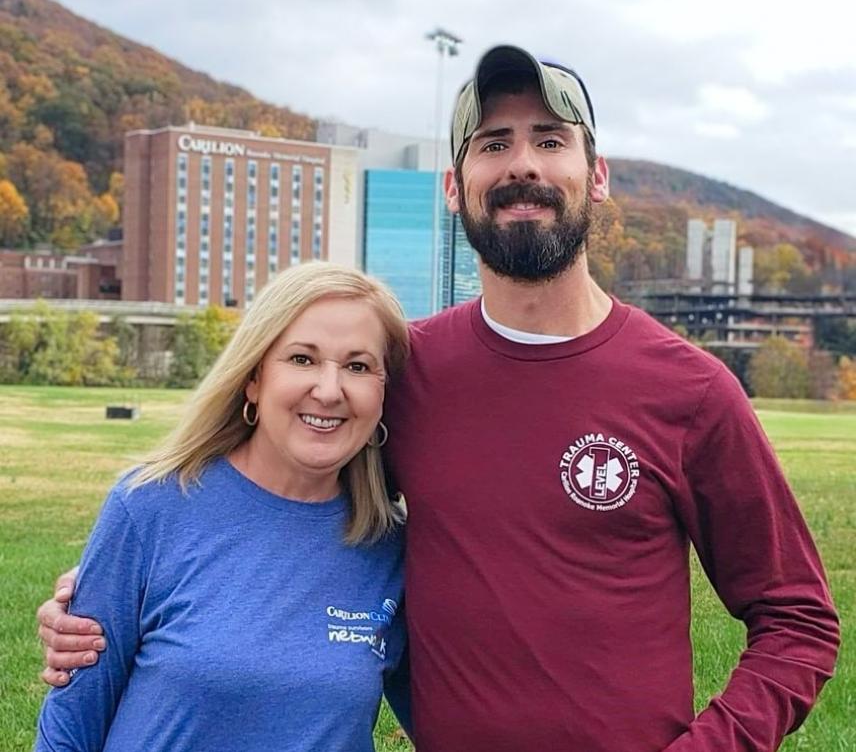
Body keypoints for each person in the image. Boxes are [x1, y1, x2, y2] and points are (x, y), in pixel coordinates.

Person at [38, 46, 839, 752]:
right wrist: (112, 586)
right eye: (494, 144)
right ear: (456, 186)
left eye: (549, 140)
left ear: (596, 175)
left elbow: (798, 622)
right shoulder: (400, 369)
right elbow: (283, 505)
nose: (522, 164)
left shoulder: (691, 391)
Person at [34, 261, 411, 752]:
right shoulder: (148, 508)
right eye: (302, 359)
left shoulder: (393, 548)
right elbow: (69, 730)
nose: (329, 389)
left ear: (383, 395)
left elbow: (463, 712)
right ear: (253, 379)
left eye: (358, 366)